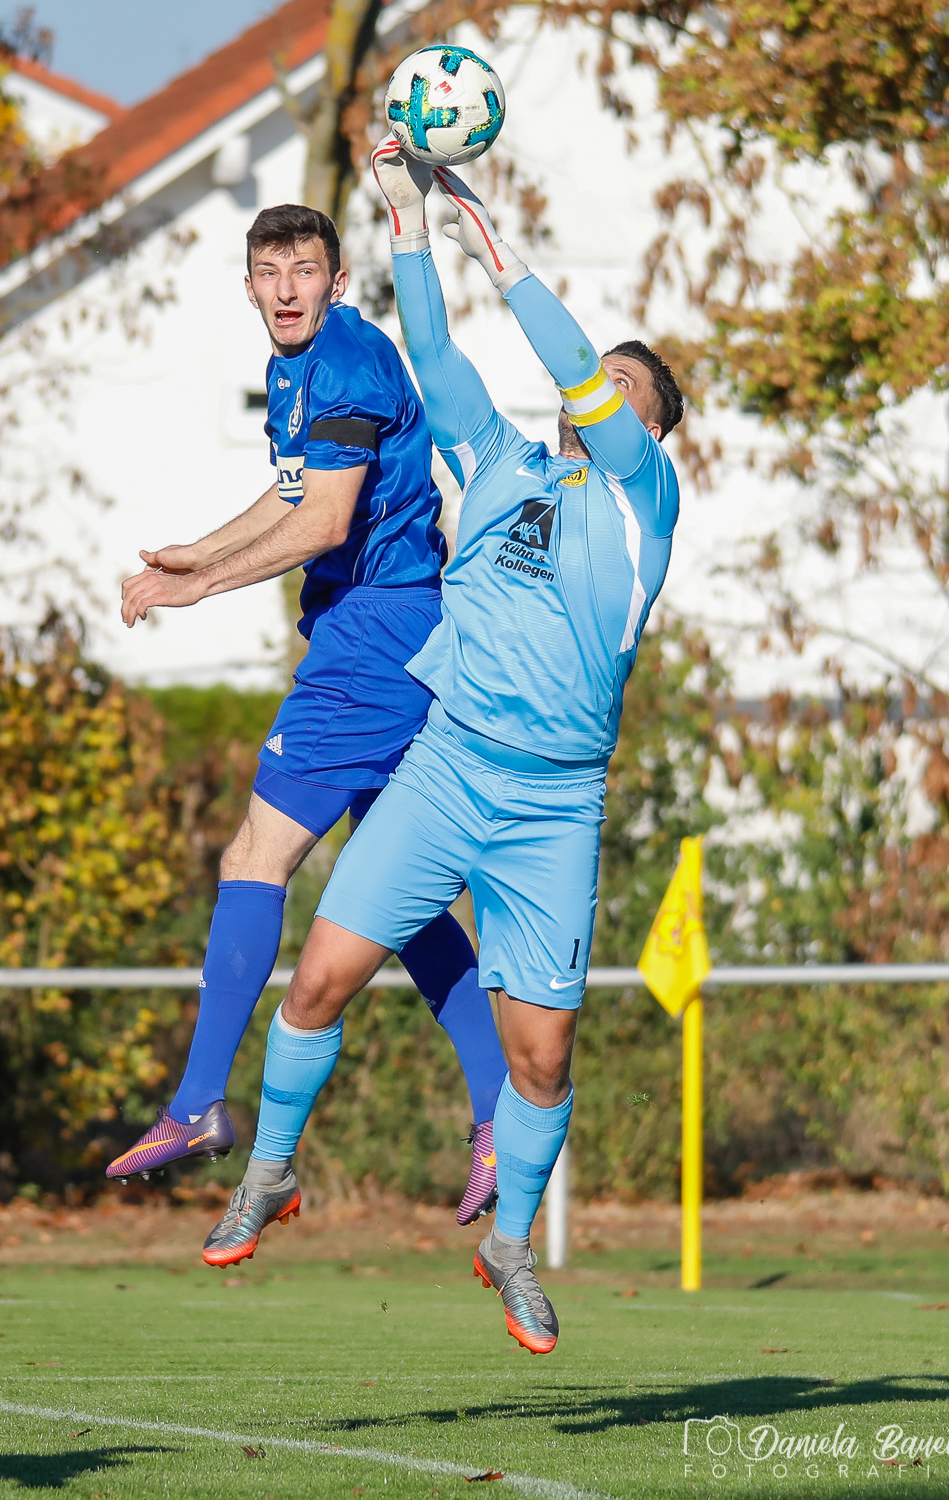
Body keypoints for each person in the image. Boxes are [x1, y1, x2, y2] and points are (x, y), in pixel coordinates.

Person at [204, 146, 683, 1351]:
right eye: (602, 378)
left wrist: (494, 250)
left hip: (552, 808)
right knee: (317, 981)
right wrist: (411, 229)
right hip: (446, 769)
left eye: (625, 386)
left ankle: (510, 1246)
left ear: (649, 427)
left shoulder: (643, 503)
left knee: (541, 1059)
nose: (601, 389)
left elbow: (570, 365)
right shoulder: (505, 465)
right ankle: (267, 1172)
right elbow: (435, 356)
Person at [106, 203, 508, 1237]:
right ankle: (500, 1110)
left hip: (372, 640)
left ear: (337, 280)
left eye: (304, 269)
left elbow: (326, 523)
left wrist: (202, 588)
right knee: (395, 895)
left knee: (254, 856)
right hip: (391, 634)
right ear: (248, 284)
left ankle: (199, 1103)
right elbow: (295, 492)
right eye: (269, 270)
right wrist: (198, 550)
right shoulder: (298, 369)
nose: (286, 287)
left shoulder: (350, 365)